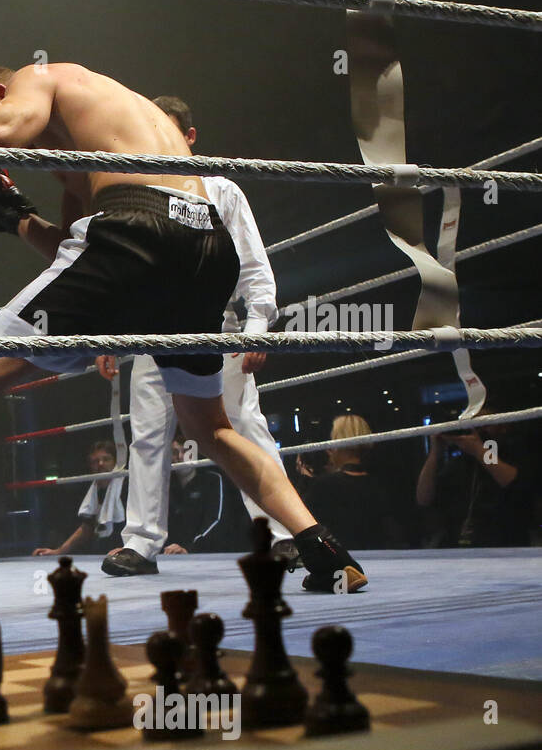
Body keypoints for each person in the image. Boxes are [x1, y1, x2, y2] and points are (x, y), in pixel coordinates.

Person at [0, 29, 366, 611]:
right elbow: (74, 247)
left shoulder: (40, 78)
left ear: (0, 91)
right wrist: (10, 213)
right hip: (203, 246)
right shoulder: (111, 125)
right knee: (213, 428)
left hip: (138, 228)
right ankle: (326, 550)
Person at [100, 96, 297, 577]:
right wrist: (108, 335)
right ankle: (141, 543)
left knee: (245, 427)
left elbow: (255, 268)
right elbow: (121, 272)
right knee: (146, 435)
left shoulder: (221, 191)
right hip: (152, 331)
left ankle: (282, 534)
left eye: (167, 131)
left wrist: (256, 331)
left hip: (219, 327)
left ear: (189, 137)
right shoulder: (136, 192)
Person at [416, 411, 535, 547]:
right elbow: (423, 498)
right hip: (459, 546)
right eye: (474, 424)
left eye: (484, 423)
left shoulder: (514, 453)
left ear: (503, 426)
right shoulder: (459, 463)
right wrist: (435, 453)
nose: (478, 429)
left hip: (505, 543)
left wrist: (479, 451)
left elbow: (516, 486)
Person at [296, 414, 397, 550]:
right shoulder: (379, 482)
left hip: (341, 559)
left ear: (337, 443)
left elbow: (301, 521)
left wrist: (306, 480)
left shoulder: (324, 486)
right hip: (380, 554)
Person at [32, 441, 126, 556]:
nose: (100, 464)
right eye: (95, 461)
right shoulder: (93, 492)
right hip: (103, 554)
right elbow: (87, 527)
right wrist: (58, 551)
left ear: (115, 463)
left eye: (106, 459)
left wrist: (129, 549)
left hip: (127, 553)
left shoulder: (127, 487)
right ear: (90, 466)